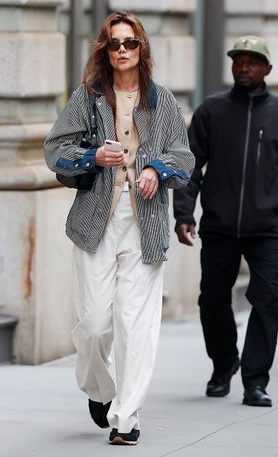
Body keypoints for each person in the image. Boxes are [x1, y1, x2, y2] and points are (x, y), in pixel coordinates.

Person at [44, 10, 194, 446]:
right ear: (105, 51)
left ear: (142, 48)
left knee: (136, 325)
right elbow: (55, 148)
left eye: (130, 43)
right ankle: (100, 389)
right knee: (93, 324)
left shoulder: (162, 100)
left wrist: (157, 170)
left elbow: (184, 159)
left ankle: (126, 418)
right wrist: (93, 158)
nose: (123, 50)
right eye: (115, 44)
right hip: (96, 221)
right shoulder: (88, 97)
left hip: (144, 223)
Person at [173, 35, 278, 408]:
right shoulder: (212, 111)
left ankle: (254, 381)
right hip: (218, 226)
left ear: (267, 68)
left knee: (268, 300)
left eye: (252, 61)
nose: (244, 67)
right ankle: (223, 366)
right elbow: (189, 165)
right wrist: (184, 212)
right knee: (212, 301)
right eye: (238, 61)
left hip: (268, 230)